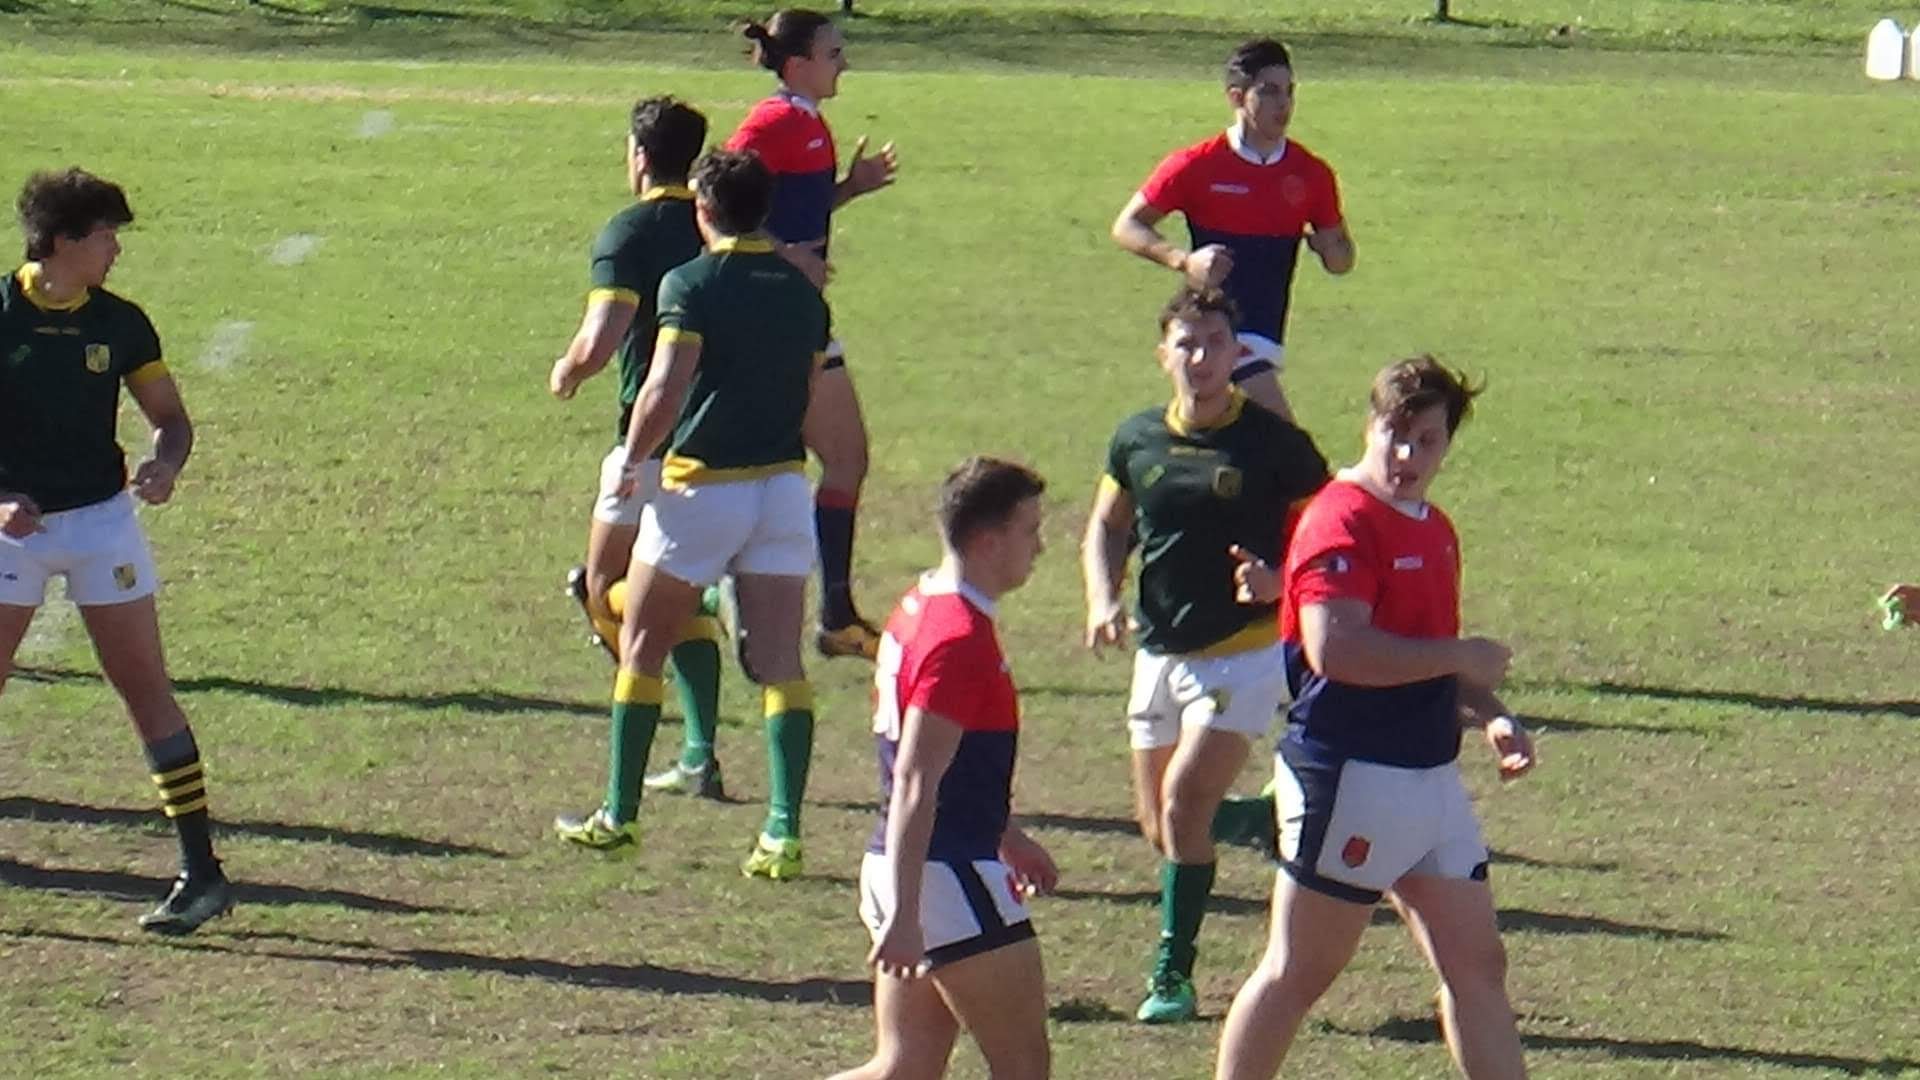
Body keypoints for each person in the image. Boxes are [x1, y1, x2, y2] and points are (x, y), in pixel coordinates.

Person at [1213, 356, 1538, 1080]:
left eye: (1427, 440)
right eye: (1396, 434)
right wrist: (1463, 655)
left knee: (1478, 965)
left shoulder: (1434, 527)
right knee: (1298, 972)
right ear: (1370, 424)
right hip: (1350, 775)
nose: (1407, 455)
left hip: (1429, 782)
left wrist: (1490, 713)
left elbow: (1427, 658)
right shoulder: (1340, 518)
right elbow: (1338, 650)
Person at [553, 149, 829, 880]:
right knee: (779, 663)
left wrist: (637, 462)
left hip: (701, 488)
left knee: (641, 642)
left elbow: (664, 389)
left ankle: (619, 816)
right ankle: (782, 833)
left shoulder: (692, 282)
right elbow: (805, 388)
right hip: (781, 488)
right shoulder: (804, 290)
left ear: (704, 210)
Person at [1081, 287, 1330, 1024]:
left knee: (1183, 807)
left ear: (1236, 353)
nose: (1200, 358)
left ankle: (1174, 977)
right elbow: (1106, 525)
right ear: (1164, 355)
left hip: (1240, 657)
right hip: (1158, 652)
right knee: (1159, 825)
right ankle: (1256, 821)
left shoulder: (1275, 445)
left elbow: (1335, 537)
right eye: (1186, 344)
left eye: (1215, 343)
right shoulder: (1136, 440)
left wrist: (1281, 582)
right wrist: (1102, 597)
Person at [0, 168, 231, 933]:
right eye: (106, 237)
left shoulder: (121, 323)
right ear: (63, 241)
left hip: (102, 523)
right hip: (12, 534)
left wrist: (166, 461)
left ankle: (202, 874)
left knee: (147, 690)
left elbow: (170, 417)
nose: (115, 252)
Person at [831, 456, 1057, 1080]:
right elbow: (915, 777)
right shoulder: (959, 637)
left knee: (904, 1067)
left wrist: (1005, 834)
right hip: (942, 877)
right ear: (988, 541)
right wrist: (907, 913)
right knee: (1023, 1068)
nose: (1039, 547)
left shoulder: (922, 604)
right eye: (1029, 531)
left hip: (911, 866)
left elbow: (947, 763)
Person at [546, 96, 728, 802]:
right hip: (714, 436)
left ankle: (657, 732)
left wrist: (566, 372)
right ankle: (700, 752)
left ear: (640, 155)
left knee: (602, 585)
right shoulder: (719, 216)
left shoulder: (630, 230)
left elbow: (603, 335)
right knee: (676, 587)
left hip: (647, 439)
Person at [727, 8, 900, 661]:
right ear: (798, 62)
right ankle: (819, 612)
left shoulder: (805, 122)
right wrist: (784, 256)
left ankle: (824, 610)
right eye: (834, 52)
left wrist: (849, 189)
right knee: (828, 458)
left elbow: (791, 207)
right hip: (776, 320)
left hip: (799, 316)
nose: (844, 63)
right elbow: (712, 195)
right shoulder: (772, 121)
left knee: (819, 460)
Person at [1111, 38, 1354, 423]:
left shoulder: (1311, 174)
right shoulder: (1195, 165)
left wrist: (1331, 249)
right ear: (1237, 97)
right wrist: (1182, 260)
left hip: (1267, 337)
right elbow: (1127, 225)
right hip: (1218, 337)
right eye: (1270, 91)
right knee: (1288, 448)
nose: (1284, 104)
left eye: (1289, 92)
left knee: (1232, 456)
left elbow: (1342, 261)